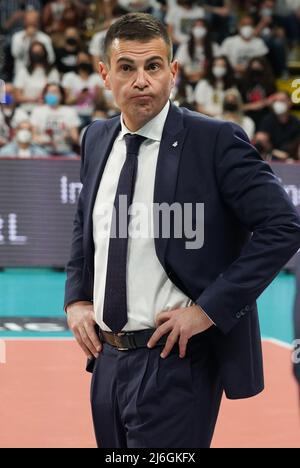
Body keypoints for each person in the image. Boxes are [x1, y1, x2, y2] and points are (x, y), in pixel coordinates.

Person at [64, 13, 300, 449]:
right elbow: (86, 220)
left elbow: (284, 225)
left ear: (173, 72)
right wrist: (77, 297)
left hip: (175, 363)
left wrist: (208, 309)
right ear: (104, 74)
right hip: (105, 360)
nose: (141, 80)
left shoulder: (215, 140)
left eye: (153, 66)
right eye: (127, 68)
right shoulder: (96, 138)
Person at [258, 91, 300, 161]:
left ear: (289, 102)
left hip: (291, 159)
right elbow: (260, 137)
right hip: (272, 157)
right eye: (276, 101)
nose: (278, 103)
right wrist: (274, 152)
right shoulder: (268, 120)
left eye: (282, 100)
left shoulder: (296, 122)